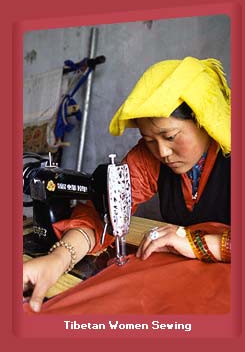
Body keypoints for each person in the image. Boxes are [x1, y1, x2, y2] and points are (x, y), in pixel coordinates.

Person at [23, 56, 231, 314]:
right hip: (190, 282)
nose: (162, 152)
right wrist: (58, 259)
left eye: (170, 136)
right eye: (149, 139)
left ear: (204, 119)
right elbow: (103, 212)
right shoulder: (149, 157)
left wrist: (194, 243)